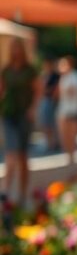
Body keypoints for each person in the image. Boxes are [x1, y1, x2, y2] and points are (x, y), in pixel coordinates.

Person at [0, 37, 38, 208]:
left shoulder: (30, 70)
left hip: (24, 115)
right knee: (11, 153)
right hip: (9, 114)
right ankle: (6, 192)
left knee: (22, 156)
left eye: (17, 48)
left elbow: (38, 91)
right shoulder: (6, 70)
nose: (15, 51)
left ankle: (22, 194)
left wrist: (33, 109)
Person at [56, 56, 77, 167]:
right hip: (63, 110)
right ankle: (68, 156)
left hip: (72, 111)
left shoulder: (75, 77)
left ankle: (72, 156)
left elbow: (73, 92)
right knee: (64, 135)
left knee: (71, 136)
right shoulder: (64, 78)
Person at [38, 56, 60, 152]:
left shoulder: (55, 76)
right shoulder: (44, 75)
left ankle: (54, 143)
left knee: (52, 123)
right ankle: (49, 142)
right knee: (45, 123)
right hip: (45, 100)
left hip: (51, 101)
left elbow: (54, 90)